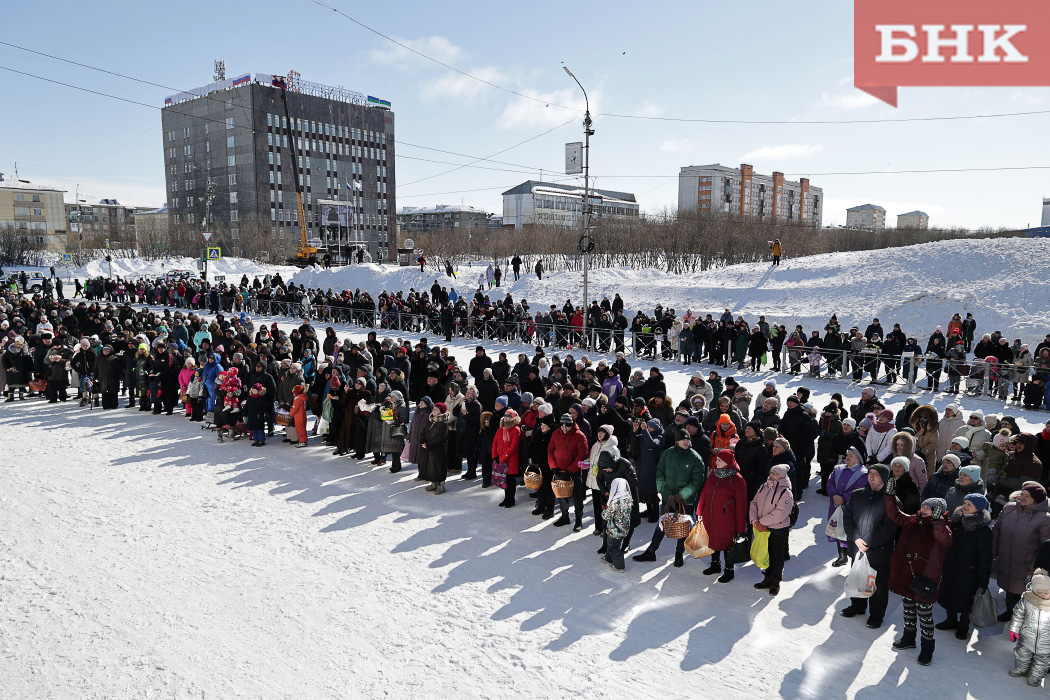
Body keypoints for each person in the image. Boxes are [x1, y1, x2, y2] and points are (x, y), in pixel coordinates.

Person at [884, 496, 952, 665]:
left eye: (930, 508)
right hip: (908, 573)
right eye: (924, 506)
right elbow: (895, 514)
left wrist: (937, 521)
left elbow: (944, 539)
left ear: (939, 511)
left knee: (924, 614)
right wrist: (889, 496)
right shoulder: (913, 520)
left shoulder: (944, 527)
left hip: (926, 578)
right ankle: (908, 638)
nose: (924, 510)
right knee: (907, 607)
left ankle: (927, 649)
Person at [633, 431, 707, 567]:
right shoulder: (667, 454)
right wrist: (664, 491)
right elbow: (660, 473)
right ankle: (651, 551)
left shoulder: (695, 458)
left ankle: (679, 554)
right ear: (677, 441)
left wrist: (680, 496)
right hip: (668, 497)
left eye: (688, 440)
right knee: (662, 524)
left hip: (685, 500)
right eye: (683, 440)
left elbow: (697, 482)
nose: (686, 442)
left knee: (684, 528)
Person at [842, 463, 900, 628]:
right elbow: (848, 518)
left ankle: (876, 616)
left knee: (879, 586)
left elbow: (889, 527)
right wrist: (856, 539)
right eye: (870, 472)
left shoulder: (892, 501)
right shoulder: (857, 495)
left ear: (885, 478)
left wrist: (866, 541)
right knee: (858, 578)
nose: (871, 476)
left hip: (879, 551)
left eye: (876, 473)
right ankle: (857, 606)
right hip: (858, 548)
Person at [937, 493, 992, 641]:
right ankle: (951, 620)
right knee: (949, 594)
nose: (965, 506)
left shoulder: (983, 530)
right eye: (965, 503)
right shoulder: (956, 523)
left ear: (979, 508)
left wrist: (983, 581)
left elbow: (985, 558)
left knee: (966, 600)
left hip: (969, 572)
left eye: (970, 504)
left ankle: (963, 625)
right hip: (951, 567)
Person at [993, 483, 1050, 621]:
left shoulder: (1044, 518)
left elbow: (1046, 547)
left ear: (1036, 500)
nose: (1022, 497)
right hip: (1007, 556)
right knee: (1009, 587)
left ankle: (1023, 619)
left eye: (1027, 496)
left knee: (1024, 592)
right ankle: (1010, 612)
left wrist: (1034, 568)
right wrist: (993, 550)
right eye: (1022, 494)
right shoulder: (1009, 508)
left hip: (1027, 563)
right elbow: (996, 530)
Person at [694, 448, 746, 581]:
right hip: (710, 516)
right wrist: (699, 511)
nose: (716, 462)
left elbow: (741, 506)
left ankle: (729, 570)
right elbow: (704, 493)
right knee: (713, 540)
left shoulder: (737, 480)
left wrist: (741, 529)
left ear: (728, 462)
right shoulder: (713, 474)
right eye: (716, 459)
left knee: (727, 544)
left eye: (719, 460)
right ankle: (715, 564)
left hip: (726, 519)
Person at [749, 464, 794, 596]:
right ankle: (767, 579)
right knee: (766, 554)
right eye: (771, 472)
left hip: (778, 529)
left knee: (777, 556)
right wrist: (754, 520)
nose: (771, 475)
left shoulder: (786, 492)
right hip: (762, 527)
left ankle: (776, 582)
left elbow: (781, 513)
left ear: (782, 476)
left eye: (775, 473)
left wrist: (760, 522)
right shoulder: (764, 486)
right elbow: (754, 503)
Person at [1007, 568, 1050, 686]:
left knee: (1042, 661)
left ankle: (1035, 676)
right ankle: (1021, 668)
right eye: (1039, 592)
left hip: (1046, 642)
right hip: (1027, 637)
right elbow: (1018, 615)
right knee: (1022, 654)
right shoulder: (1027, 601)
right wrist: (1014, 629)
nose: (1042, 595)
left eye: (1045, 593)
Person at [827, 447, 869, 566]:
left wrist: (843, 499)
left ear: (858, 459)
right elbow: (830, 482)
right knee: (837, 529)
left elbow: (859, 490)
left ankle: (852, 560)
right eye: (847, 455)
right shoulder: (838, 469)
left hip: (851, 508)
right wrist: (834, 495)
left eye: (851, 455)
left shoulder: (863, 473)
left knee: (849, 531)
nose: (848, 457)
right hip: (836, 505)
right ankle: (842, 556)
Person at [548, 413, 589, 531]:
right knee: (561, 494)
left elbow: (582, 454)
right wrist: (553, 467)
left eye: (567, 426)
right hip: (559, 470)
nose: (564, 429)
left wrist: (570, 470)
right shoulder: (556, 433)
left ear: (572, 425)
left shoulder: (579, 436)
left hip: (573, 472)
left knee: (577, 496)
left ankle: (578, 519)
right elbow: (550, 450)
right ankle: (565, 516)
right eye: (562, 426)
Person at [602, 477, 634, 571]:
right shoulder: (628, 498)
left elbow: (607, 516)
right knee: (613, 544)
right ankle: (608, 558)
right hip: (624, 528)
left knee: (614, 547)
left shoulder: (615, 501)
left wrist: (603, 511)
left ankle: (619, 566)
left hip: (614, 529)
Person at [492, 408, 522, 507]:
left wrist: (503, 457)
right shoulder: (501, 428)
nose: (505, 418)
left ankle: (511, 499)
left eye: (508, 416)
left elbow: (513, 447)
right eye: (505, 416)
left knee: (510, 481)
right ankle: (506, 498)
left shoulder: (516, 430)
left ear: (513, 418)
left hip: (510, 460)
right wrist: (495, 456)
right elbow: (495, 441)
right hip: (501, 460)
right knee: (504, 481)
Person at [421, 402, 450, 493]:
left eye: (436, 409)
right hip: (430, 448)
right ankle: (434, 483)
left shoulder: (443, 424)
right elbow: (423, 432)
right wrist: (422, 441)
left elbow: (440, 438)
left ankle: (441, 485)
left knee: (439, 466)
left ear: (441, 411)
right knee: (431, 466)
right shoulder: (430, 421)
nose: (434, 410)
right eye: (434, 409)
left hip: (439, 449)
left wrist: (428, 444)